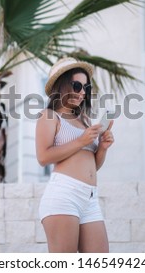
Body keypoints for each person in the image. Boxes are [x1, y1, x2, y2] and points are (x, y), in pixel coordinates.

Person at [36, 57, 115, 253]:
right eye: (77, 86)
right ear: (62, 86)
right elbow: (43, 157)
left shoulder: (85, 120)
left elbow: (92, 166)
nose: (82, 92)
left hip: (89, 198)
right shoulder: (49, 116)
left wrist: (102, 147)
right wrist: (81, 141)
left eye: (86, 88)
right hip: (64, 195)